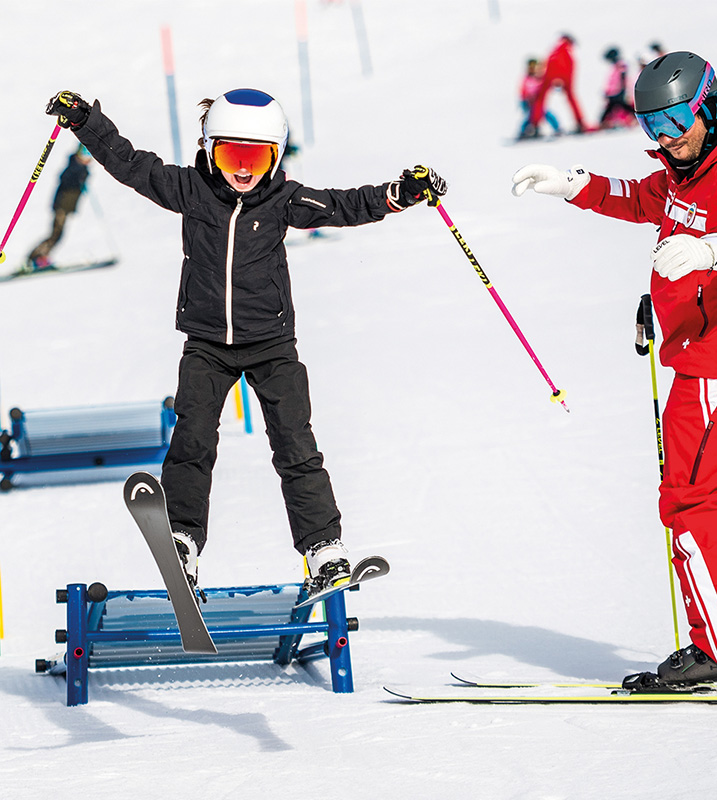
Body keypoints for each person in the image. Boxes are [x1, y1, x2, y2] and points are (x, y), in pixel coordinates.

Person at [46, 88, 447, 597]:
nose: (242, 169)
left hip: (271, 345)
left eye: (255, 158)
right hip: (207, 345)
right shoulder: (190, 189)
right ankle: (182, 542)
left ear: (275, 157)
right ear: (210, 149)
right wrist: (85, 122)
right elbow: (130, 163)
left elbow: (345, 205)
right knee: (192, 442)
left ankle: (324, 550)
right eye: (230, 155)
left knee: (296, 446)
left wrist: (400, 193)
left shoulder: (284, 200)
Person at [511, 51, 717, 686]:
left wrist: (712, 249)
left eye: (674, 122)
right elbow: (639, 198)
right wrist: (571, 184)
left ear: (706, 108)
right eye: (651, 126)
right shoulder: (682, 173)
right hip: (712, 355)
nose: (665, 138)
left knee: (691, 500)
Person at [25, 144, 92, 271]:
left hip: (66, 206)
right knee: (56, 234)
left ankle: (40, 257)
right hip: (62, 206)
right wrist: (80, 176)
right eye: (85, 155)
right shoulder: (74, 167)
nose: (87, 159)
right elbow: (65, 179)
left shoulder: (81, 169)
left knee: (58, 234)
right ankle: (36, 257)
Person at [528, 34, 587, 137]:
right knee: (571, 97)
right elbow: (566, 66)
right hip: (563, 76)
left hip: (550, 75)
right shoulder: (565, 50)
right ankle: (580, 123)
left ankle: (535, 126)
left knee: (540, 99)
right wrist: (561, 79)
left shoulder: (555, 49)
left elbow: (547, 64)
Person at [518, 58, 560, 139]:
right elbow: (524, 90)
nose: (533, 69)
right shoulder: (528, 79)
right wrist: (526, 99)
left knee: (546, 115)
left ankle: (557, 128)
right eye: (531, 67)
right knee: (530, 117)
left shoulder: (539, 78)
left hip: (538, 102)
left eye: (534, 67)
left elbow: (544, 85)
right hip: (529, 102)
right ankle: (524, 131)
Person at [598, 47, 635, 129]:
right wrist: (607, 92)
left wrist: (623, 90)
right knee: (615, 107)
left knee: (621, 107)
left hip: (618, 92)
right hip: (613, 93)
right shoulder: (615, 66)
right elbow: (612, 81)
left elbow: (623, 78)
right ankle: (603, 123)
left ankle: (602, 123)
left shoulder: (620, 65)